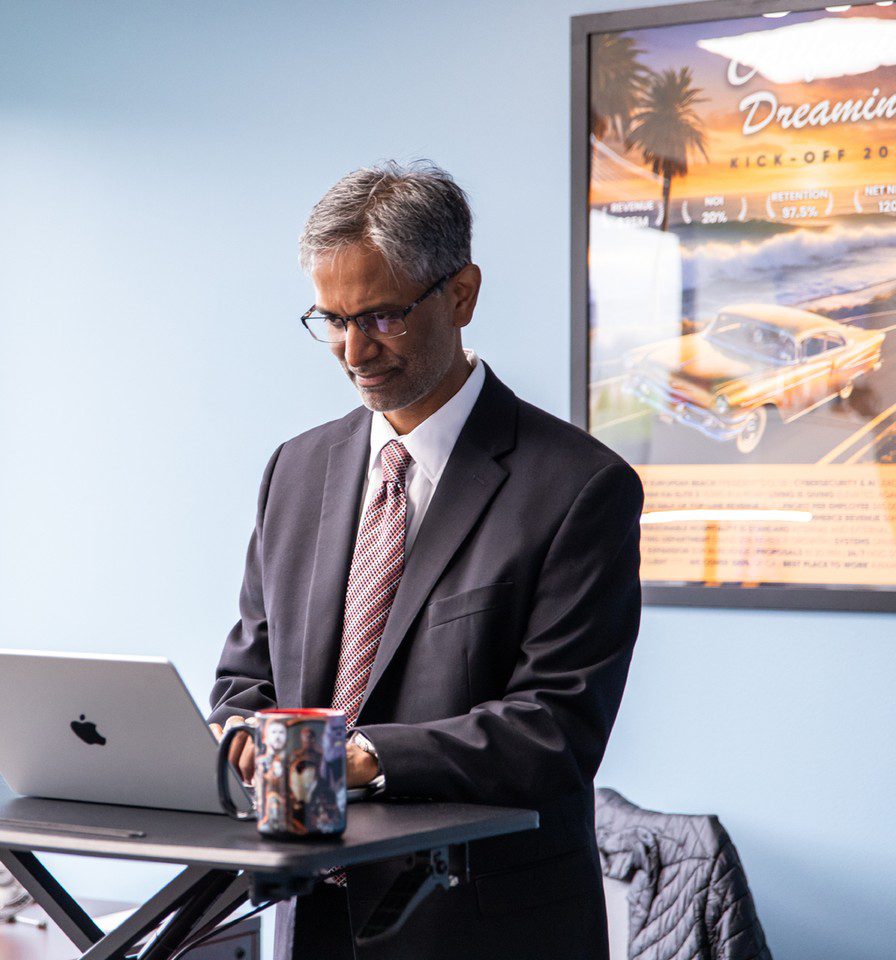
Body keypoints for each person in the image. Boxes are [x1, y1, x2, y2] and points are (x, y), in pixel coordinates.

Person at [208, 161, 643, 959]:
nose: (353, 351)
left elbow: (556, 728)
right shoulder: (295, 470)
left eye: (380, 317)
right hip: (310, 917)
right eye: (330, 320)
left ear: (462, 295)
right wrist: (233, 732)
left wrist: (364, 756)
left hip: (482, 927)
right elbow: (248, 678)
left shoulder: (581, 487)